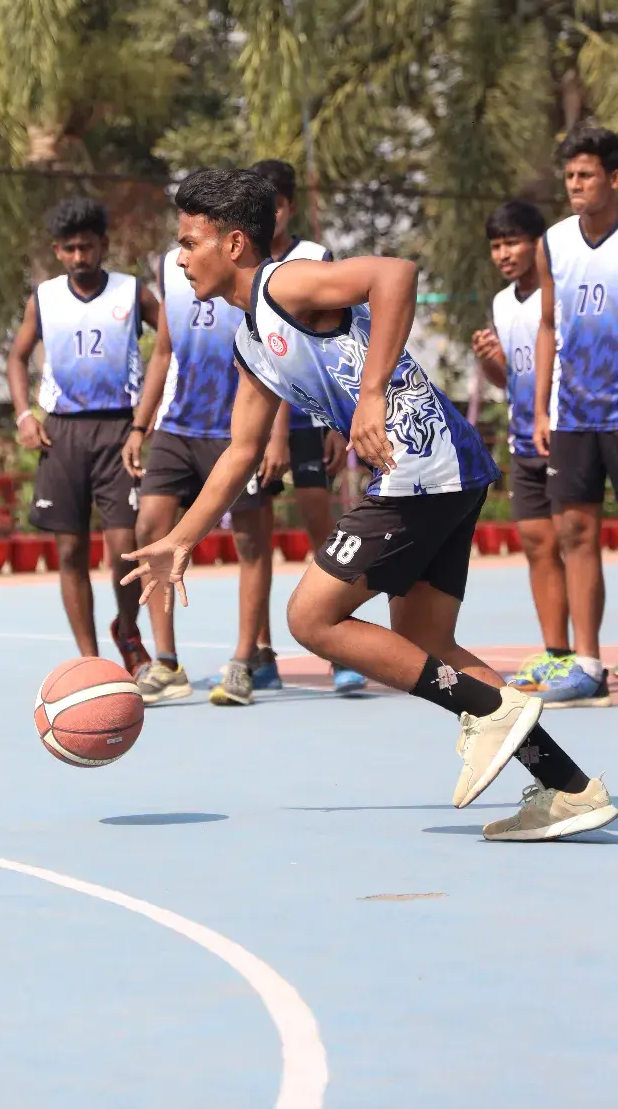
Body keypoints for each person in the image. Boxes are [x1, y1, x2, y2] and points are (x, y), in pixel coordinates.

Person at [123, 168, 616, 841]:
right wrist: (182, 537)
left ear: (233, 244)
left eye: (189, 242)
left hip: (422, 464)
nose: (179, 259)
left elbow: (396, 274)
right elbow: (240, 451)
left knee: (311, 617)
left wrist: (374, 392)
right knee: (426, 643)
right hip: (446, 468)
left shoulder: (283, 284)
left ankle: (490, 711)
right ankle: (570, 787)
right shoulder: (248, 339)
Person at [121, 242, 290, 705]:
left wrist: (277, 436)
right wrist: (141, 424)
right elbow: (162, 352)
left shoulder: (258, 275)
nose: (183, 244)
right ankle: (166, 662)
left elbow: (279, 357)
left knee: (252, 543)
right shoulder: (170, 268)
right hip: (177, 427)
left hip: (237, 428)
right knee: (151, 528)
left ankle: (241, 661)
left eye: (193, 231)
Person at [7, 197, 159, 670]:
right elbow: (16, 357)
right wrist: (23, 416)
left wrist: (144, 421)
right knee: (70, 548)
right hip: (62, 433)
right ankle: (90, 663)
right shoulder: (45, 298)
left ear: (103, 246)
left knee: (124, 549)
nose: (79, 256)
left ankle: (128, 629)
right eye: (69, 249)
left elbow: (170, 348)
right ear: (58, 251)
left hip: (118, 430)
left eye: (87, 247)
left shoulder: (132, 293)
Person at [249, 158, 366, 696]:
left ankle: (340, 647)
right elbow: (258, 360)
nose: (267, 214)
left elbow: (344, 341)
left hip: (309, 420)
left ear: (289, 206)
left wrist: (341, 422)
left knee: (326, 529)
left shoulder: (313, 258)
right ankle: (261, 651)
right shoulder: (245, 264)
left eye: (274, 204)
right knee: (257, 538)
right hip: (261, 418)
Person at [472, 200, 573, 693]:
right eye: (496, 245)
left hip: (565, 432)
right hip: (522, 436)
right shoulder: (501, 303)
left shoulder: (557, 298)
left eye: (513, 242)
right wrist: (491, 361)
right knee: (538, 545)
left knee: (576, 544)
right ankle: (558, 653)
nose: (504, 253)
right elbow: (507, 381)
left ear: (539, 244)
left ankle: (588, 658)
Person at [533, 123, 618, 708]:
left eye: (586, 174)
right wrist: (540, 407)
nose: (575, 185)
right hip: (573, 416)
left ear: (614, 178)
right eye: (569, 176)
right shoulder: (554, 243)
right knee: (576, 534)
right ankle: (587, 664)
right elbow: (547, 325)